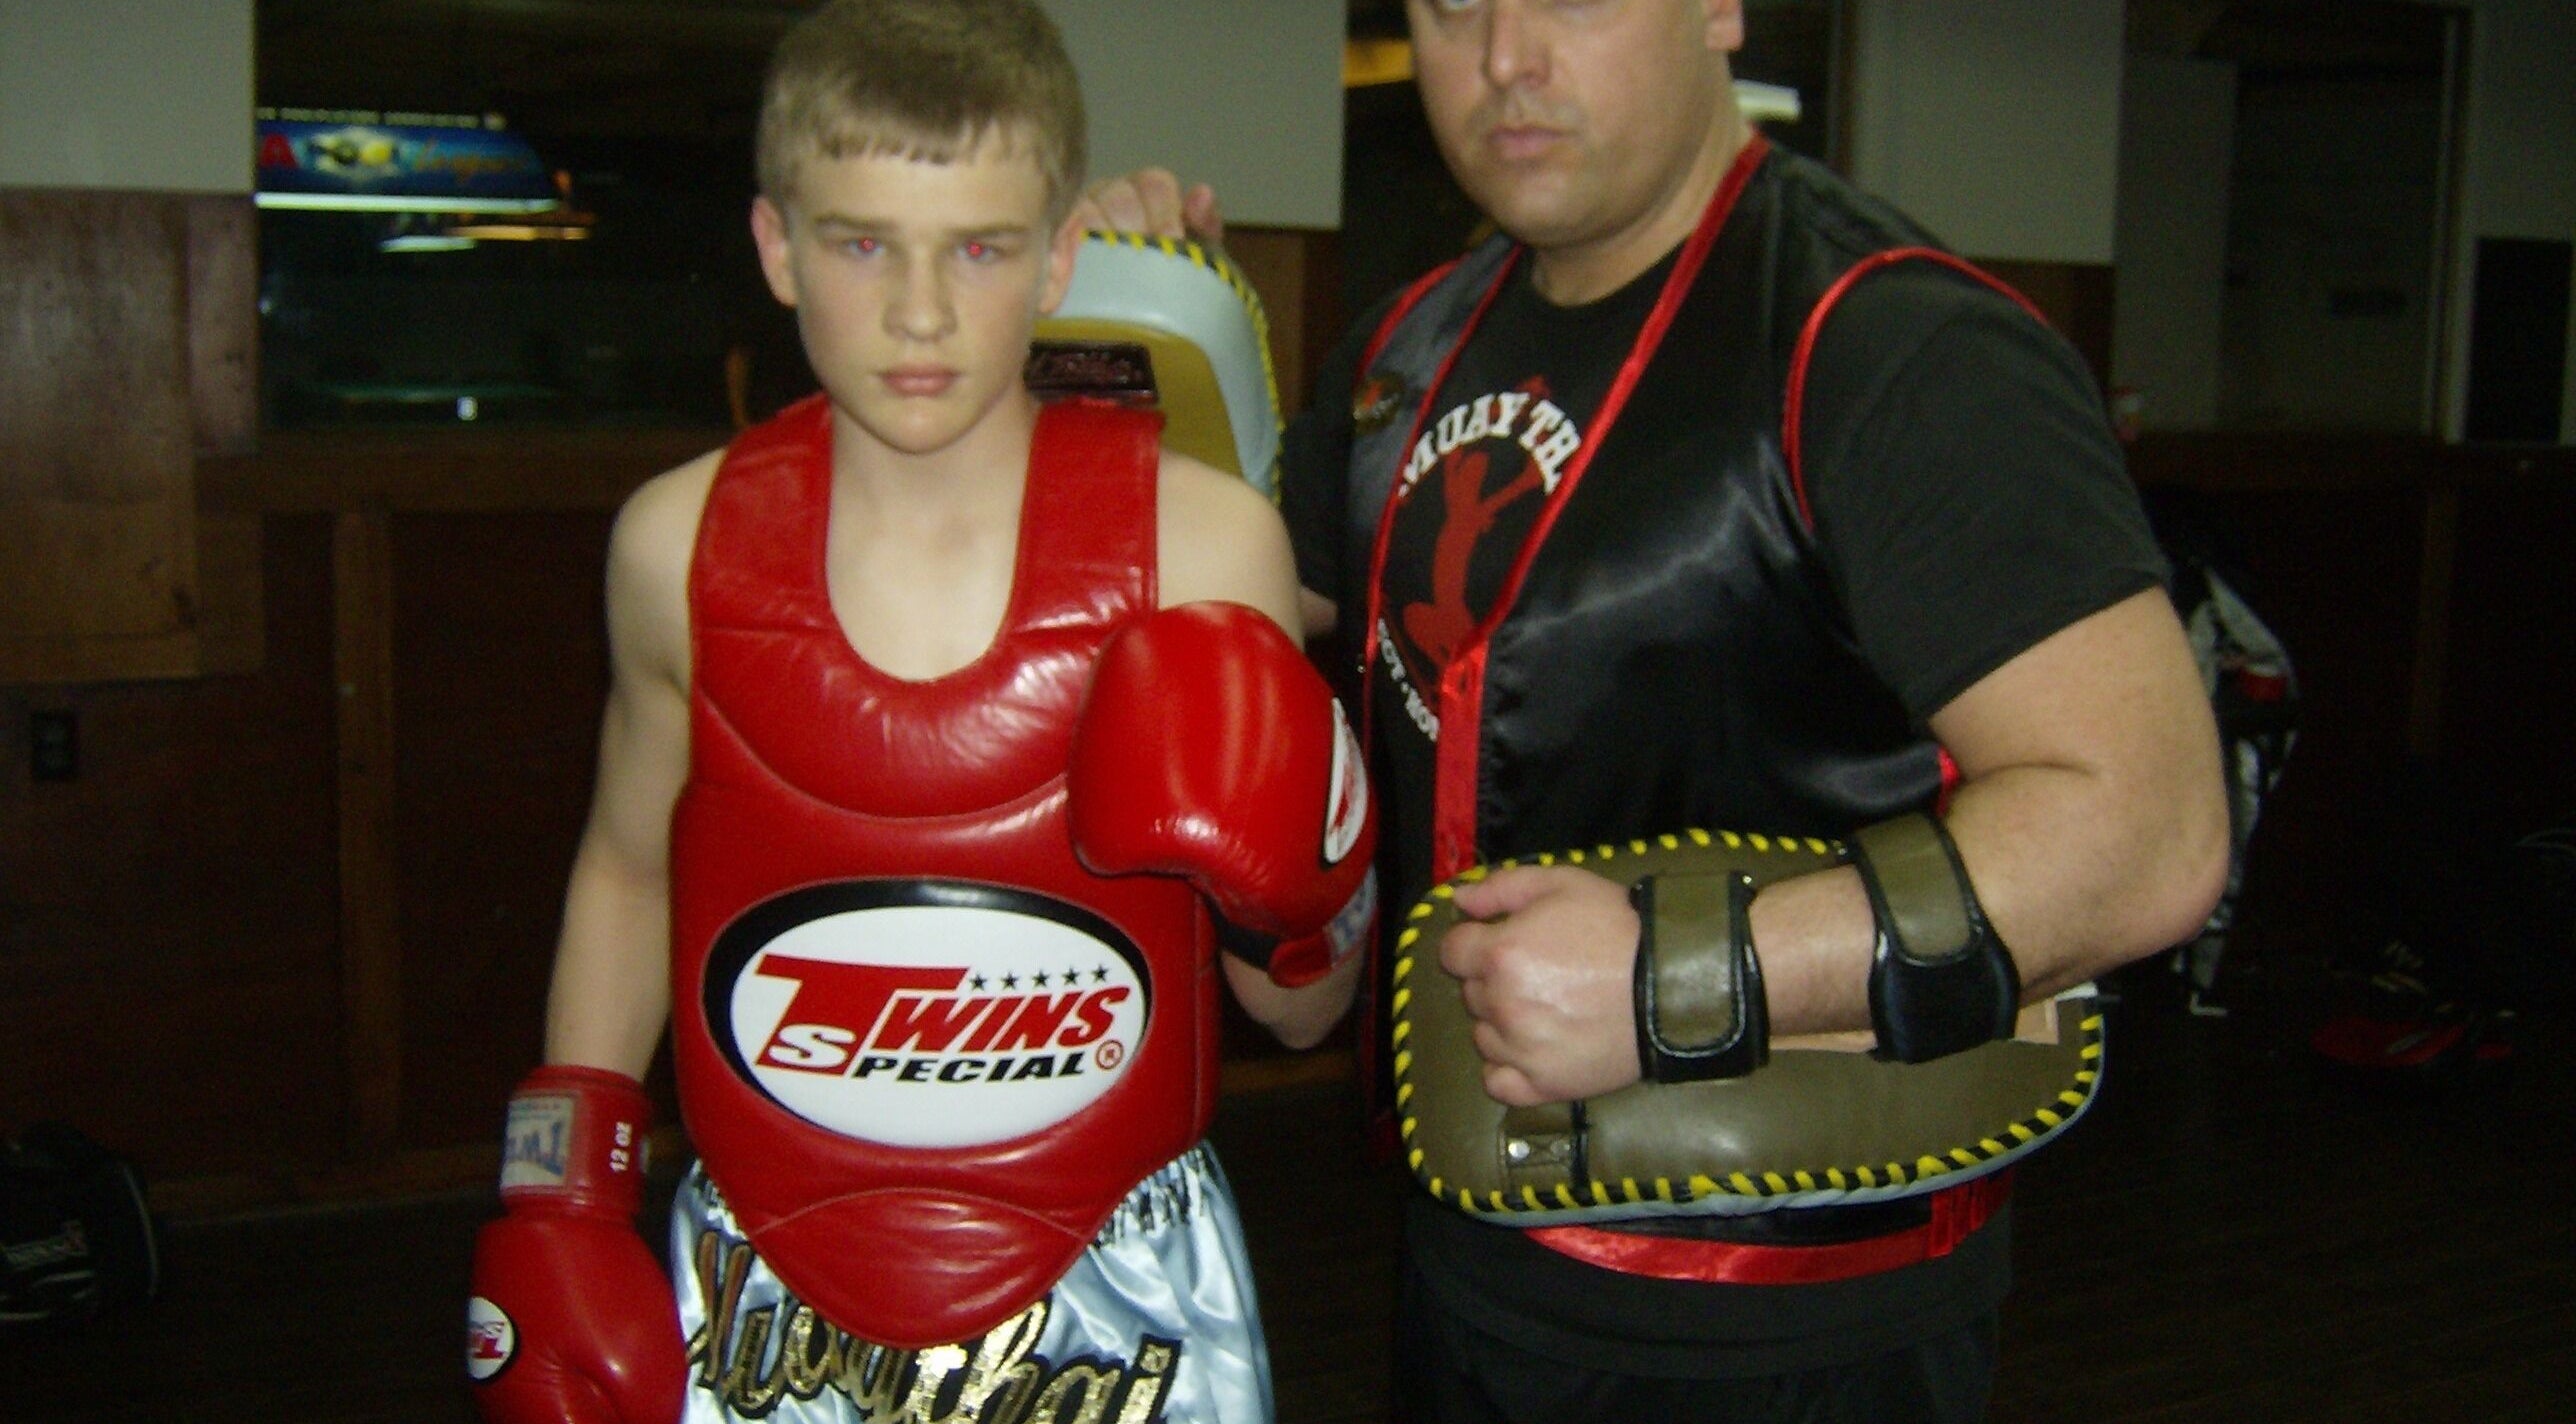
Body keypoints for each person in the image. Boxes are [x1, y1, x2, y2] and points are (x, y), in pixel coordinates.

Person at [1075, 0, 2232, 1419]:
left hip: (1788, 1311)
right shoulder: (1416, 342)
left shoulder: (1891, 343)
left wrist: (1672, 980)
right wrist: (1129, 349)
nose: (1505, 55)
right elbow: (1247, 615)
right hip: (1469, 1251)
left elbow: (2149, 831)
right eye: (1451, 6)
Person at [461, 3, 1376, 1421]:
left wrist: (1305, 900)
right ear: (775, 244)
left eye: (984, 247)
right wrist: (557, 1202)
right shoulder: (674, 546)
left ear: (1062, 255)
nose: (922, 313)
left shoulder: (1202, 550)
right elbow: (630, 869)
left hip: (1115, 1287)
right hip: (775, 1281)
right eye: (862, 240)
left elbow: (1301, 1016)